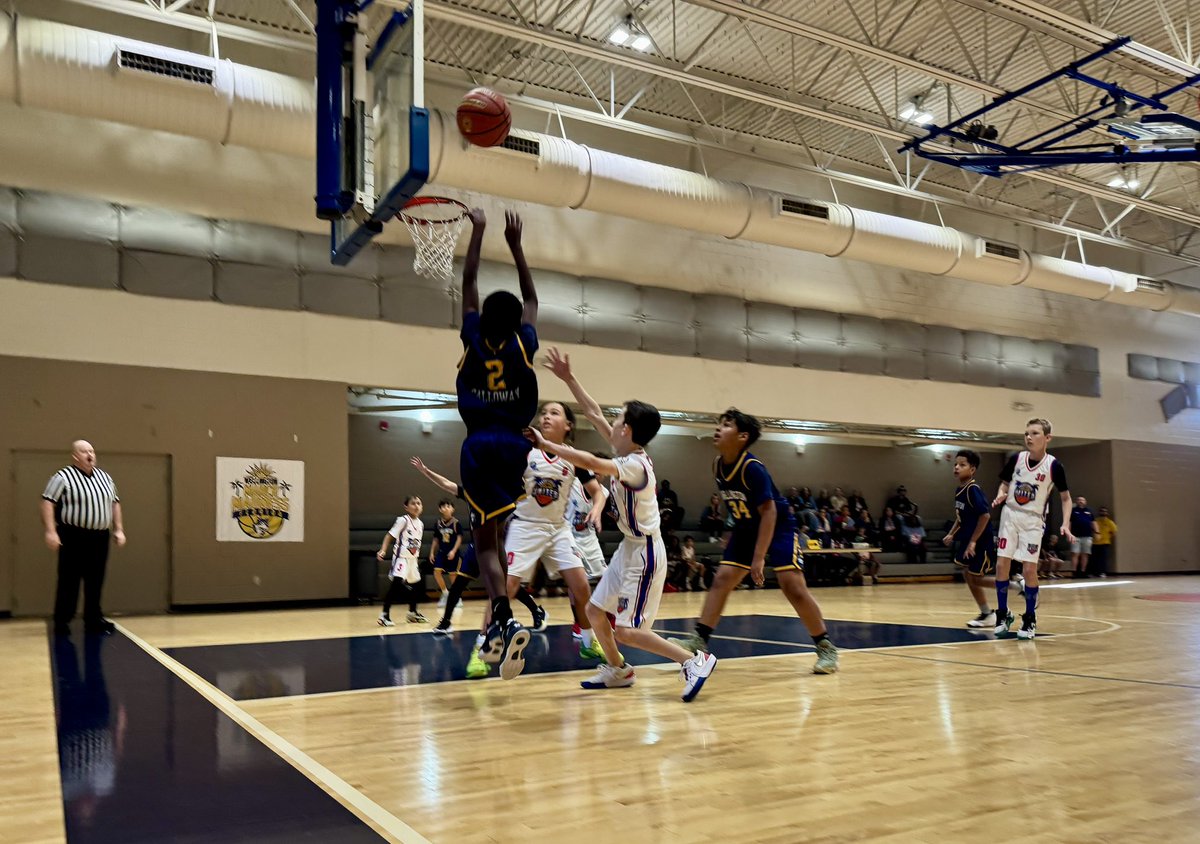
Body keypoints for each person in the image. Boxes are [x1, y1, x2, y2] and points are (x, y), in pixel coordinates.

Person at [529, 347, 717, 702]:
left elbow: (589, 462)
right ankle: (619, 669)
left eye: (617, 419)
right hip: (630, 548)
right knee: (594, 611)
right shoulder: (625, 452)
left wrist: (546, 443)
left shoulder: (634, 465)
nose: (610, 423)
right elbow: (593, 412)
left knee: (628, 631)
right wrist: (569, 378)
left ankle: (694, 661)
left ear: (627, 429)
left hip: (646, 552)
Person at [669, 409, 840, 674]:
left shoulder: (752, 468)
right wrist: (731, 530)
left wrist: (758, 558)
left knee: (792, 585)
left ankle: (825, 647)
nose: (719, 428)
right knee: (723, 578)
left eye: (727, 425)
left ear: (743, 436)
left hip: (778, 526)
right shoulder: (717, 465)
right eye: (719, 424)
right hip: (746, 528)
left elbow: (769, 512)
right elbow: (735, 502)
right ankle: (699, 639)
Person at [455, 207, 538, 680]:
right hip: (516, 446)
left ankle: (502, 615)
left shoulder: (472, 335)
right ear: (516, 321)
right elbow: (531, 297)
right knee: (501, 532)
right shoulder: (523, 341)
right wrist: (516, 246)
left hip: (478, 444)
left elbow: (468, 280)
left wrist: (478, 230)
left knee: (483, 538)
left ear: (483, 316)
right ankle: (503, 619)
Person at [503, 400, 609, 661]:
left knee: (581, 586)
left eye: (554, 413)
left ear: (568, 425)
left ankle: (588, 640)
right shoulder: (525, 451)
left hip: (558, 528)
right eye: (543, 413)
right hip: (525, 525)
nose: (546, 417)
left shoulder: (573, 457)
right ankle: (483, 643)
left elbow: (597, 493)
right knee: (508, 587)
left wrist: (597, 509)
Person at [992, 418, 1073, 640]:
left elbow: (1066, 498)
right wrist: (1001, 494)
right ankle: (1003, 614)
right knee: (1001, 565)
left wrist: (1065, 523)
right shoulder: (1016, 459)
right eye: (1027, 433)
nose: (1029, 437)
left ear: (1047, 438)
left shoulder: (1054, 466)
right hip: (1010, 515)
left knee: (1029, 570)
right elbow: (1004, 484)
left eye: (1035, 433)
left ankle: (1029, 618)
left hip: (1033, 520)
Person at [410, 457, 488, 679]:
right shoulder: (471, 492)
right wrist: (426, 471)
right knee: (457, 586)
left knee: (508, 587)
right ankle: (445, 622)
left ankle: (534, 612)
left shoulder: (500, 493)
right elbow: (446, 484)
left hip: (497, 545)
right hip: (476, 546)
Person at [42, 440, 126, 636]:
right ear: (75, 456)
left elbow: (115, 503)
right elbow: (47, 502)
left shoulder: (105, 477)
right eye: (84, 451)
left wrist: (119, 529)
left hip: (100, 536)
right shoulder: (62, 477)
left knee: (96, 579)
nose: (90, 455)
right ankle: (62, 621)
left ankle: (93, 619)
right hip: (74, 535)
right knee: (69, 580)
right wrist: (50, 531)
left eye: (92, 451)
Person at [943, 449, 1000, 628]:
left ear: (972, 469)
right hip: (969, 540)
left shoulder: (973, 489)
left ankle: (1016, 586)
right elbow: (960, 517)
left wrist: (973, 542)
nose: (957, 467)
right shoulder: (959, 490)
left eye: (962, 465)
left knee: (976, 578)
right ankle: (986, 613)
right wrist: (951, 533)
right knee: (968, 575)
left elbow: (985, 516)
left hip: (981, 541)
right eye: (955, 464)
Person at [376, 496, 427, 626]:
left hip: (413, 559)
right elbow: (389, 535)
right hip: (401, 558)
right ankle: (384, 615)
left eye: (419, 503)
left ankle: (412, 613)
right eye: (413, 503)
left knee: (416, 585)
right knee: (396, 584)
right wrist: (383, 550)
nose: (416, 506)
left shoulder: (420, 524)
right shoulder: (403, 520)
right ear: (406, 507)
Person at [429, 500, 465, 611]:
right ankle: (445, 594)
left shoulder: (456, 523)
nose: (446, 508)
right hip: (442, 552)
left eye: (448, 506)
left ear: (452, 509)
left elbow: (459, 538)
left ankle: (457, 597)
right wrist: (431, 552)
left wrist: (453, 551)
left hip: (453, 552)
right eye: (443, 506)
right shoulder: (438, 523)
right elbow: (436, 539)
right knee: (436, 572)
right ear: (440, 509)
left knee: (452, 575)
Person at [1069, 496, 1096, 579]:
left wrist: (1097, 532)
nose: (1081, 501)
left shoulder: (1089, 511)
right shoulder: (1073, 511)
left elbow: (1093, 522)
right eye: (1079, 500)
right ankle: (1074, 572)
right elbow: (1069, 523)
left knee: (1085, 554)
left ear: (1085, 502)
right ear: (1076, 501)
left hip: (1087, 536)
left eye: (1082, 500)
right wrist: (1068, 534)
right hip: (1075, 536)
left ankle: (1083, 572)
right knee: (1075, 554)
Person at [1091, 506, 1118, 578]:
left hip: (1105, 543)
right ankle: (1095, 572)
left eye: (1104, 511)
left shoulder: (1110, 522)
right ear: (1099, 512)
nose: (1103, 512)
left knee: (1103, 559)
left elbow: (1114, 532)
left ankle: (1102, 572)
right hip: (1095, 543)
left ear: (1107, 513)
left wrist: (1107, 537)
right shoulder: (1096, 521)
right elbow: (1092, 529)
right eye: (1101, 511)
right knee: (1094, 559)